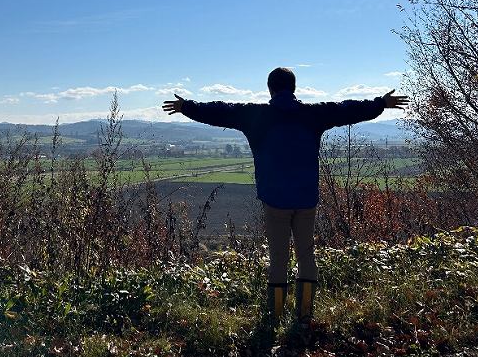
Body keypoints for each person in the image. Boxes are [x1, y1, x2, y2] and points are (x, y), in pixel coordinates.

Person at [162, 67, 408, 324]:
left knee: (278, 257)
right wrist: (381, 103)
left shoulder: (255, 115)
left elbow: (221, 110)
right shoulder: (313, 114)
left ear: (270, 89)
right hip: (306, 198)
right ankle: (304, 315)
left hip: (275, 199)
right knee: (306, 254)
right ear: (294, 87)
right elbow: (347, 108)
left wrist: (186, 107)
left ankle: (275, 316)